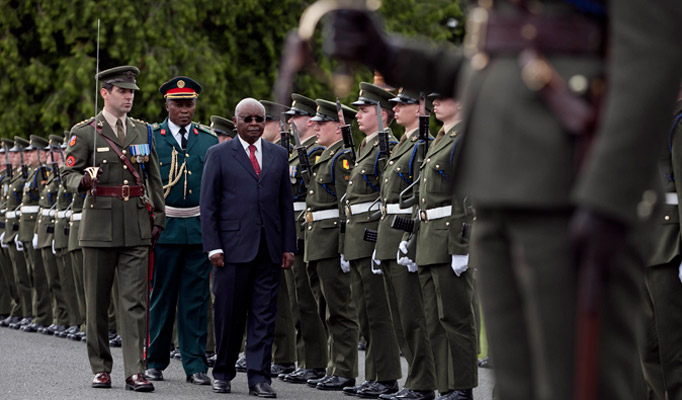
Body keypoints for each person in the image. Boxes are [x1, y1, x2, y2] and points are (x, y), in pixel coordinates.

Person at [326, 2, 682, 399]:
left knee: (579, 383)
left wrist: (609, 198)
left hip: (573, 190)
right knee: (516, 385)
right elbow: (495, 62)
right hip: (498, 193)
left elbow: (653, 57)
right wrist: (390, 55)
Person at [62, 65, 165, 392]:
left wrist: (159, 216)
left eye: (132, 91)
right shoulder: (87, 132)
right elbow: (67, 175)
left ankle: (135, 370)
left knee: (133, 301)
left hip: (135, 223)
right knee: (97, 302)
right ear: (105, 93)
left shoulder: (141, 131)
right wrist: (83, 181)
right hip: (99, 224)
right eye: (122, 91)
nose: (129, 97)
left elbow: (153, 177)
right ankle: (101, 367)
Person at [201, 97, 296, 398]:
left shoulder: (279, 155)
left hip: (268, 249)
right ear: (236, 121)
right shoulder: (218, 154)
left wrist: (288, 247)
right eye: (248, 119)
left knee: (264, 315)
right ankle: (224, 372)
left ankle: (258, 376)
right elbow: (209, 206)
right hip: (230, 251)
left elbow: (285, 205)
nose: (254, 124)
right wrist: (213, 246)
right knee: (229, 314)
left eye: (260, 119)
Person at [144, 76, 216, 386]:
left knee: (196, 300)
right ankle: (155, 360)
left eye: (189, 103)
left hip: (198, 228)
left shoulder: (208, 141)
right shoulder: (151, 137)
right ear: (167, 105)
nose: (185, 109)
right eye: (178, 103)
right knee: (161, 297)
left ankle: (195, 364)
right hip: (165, 226)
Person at [412, 94, 477, 400]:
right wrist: (411, 242)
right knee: (434, 320)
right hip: (428, 238)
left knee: (456, 318)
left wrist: (461, 245)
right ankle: (446, 385)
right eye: (433, 99)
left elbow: (466, 195)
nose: (435, 103)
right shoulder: (441, 139)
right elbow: (423, 199)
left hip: (448, 236)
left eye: (443, 98)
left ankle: (462, 387)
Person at [375, 88, 438, 400]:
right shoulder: (403, 143)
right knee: (400, 315)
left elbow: (418, 198)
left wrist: (408, 239)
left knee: (413, 315)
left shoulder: (422, 144)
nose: (395, 109)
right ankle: (414, 379)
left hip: (404, 233)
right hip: (387, 234)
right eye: (395, 104)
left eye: (403, 104)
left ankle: (422, 382)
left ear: (420, 107)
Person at [342, 82, 402, 398]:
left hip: (370, 235)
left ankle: (388, 375)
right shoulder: (367, 146)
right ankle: (375, 375)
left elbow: (384, 196)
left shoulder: (386, 147)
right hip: (357, 236)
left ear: (383, 114)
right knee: (365, 311)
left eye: (364, 111)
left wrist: (379, 240)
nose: (358, 116)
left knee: (378, 311)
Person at [304, 98, 360, 391]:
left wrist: (342, 246)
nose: (315, 126)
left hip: (330, 242)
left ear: (339, 128)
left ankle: (345, 368)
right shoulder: (325, 156)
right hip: (318, 239)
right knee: (325, 308)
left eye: (321, 123)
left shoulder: (342, 158)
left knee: (340, 309)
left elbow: (344, 206)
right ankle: (333, 365)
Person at [279, 93, 329, 385]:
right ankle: (305, 360)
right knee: (299, 301)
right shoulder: (296, 151)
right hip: (293, 225)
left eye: (295, 117)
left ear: (309, 121)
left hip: (304, 226)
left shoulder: (314, 153)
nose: (289, 122)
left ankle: (315, 362)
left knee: (309, 301)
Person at [638, 96, 682, 400]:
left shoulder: (678, 120)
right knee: (647, 351)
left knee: (674, 353)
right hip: (641, 245)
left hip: (669, 248)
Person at [18, 135, 52, 334]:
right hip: (30, 227)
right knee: (28, 274)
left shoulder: (42, 173)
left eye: (32, 152)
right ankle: (31, 313)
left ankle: (44, 315)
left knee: (41, 276)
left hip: (41, 227)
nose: (27, 155)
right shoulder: (31, 174)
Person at [4, 137, 31, 330]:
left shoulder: (33, 176)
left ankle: (33, 313)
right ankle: (20, 309)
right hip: (13, 228)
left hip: (29, 230)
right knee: (15, 274)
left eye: (15, 153)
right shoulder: (15, 178)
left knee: (29, 275)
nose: (10, 157)